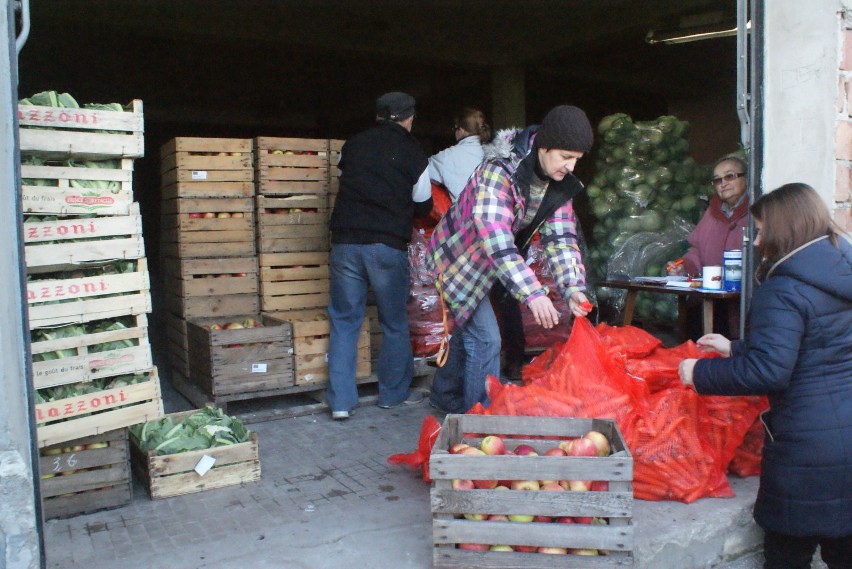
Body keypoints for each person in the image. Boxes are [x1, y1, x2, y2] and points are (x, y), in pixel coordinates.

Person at [678, 183, 852, 569]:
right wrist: (735, 348)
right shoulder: (842, 270)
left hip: (807, 448)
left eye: (759, 231)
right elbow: (818, 347)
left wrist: (699, 372)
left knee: (788, 553)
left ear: (783, 231)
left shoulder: (784, 289)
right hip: (846, 435)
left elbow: (769, 371)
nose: (756, 242)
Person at [427, 104, 595, 414]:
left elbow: (561, 239)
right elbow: (497, 240)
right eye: (565, 157)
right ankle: (477, 420)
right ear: (543, 146)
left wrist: (572, 287)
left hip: (492, 262)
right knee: (487, 339)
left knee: (467, 328)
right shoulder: (499, 170)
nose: (570, 167)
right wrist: (533, 293)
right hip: (459, 258)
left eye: (577, 160)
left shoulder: (556, 185)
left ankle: (443, 395)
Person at [326, 91, 433, 420]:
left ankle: (341, 402)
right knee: (394, 323)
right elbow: (424, 204)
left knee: (345, 321)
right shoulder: (414, 152)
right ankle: (392, 395)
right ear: (409, 118)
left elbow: (346, 176)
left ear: (377, 117)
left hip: (345, 242)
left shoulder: (353, 144)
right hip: (386, 246)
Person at [667, 155, 750, 338]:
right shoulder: (712, 213)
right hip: (709, 302)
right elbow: (696, 250)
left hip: (742, 303)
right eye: (717, 180)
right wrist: (683, 267)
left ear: (746, 178)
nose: (723, 183)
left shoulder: (756, 212)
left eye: (730, 176)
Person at [428, 107, 491, 200]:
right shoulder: (493, 154)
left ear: (461, 130)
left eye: (455, 128)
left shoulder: (447, 157)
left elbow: (419, 173)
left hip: (464, 213)